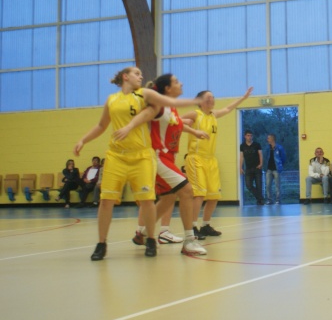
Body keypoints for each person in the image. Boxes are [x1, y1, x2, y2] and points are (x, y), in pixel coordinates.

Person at [73, 66, 201, 261]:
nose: (141, 76)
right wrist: (83, 139)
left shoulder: (145, 95)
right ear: (126, 76)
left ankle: (146, 236)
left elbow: (167, 111)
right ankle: (102, 243)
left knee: (159, 198)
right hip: (126, 155)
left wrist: (195, 109)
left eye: (142, 73)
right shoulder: (112, 100)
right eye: (137, 73)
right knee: (107, 200)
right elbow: (101, 125)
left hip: (142, 155)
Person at [116, 74, 209, 256]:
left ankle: (142, 234)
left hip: (168, 158)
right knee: (188, 191)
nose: (181, 83)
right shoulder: (158, 106)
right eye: (176, 81)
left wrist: (195, 131)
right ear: (167, 88)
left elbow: (178, 124)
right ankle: (189, 240)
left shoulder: (171, 107)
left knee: (167, 198)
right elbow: (141, 116)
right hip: (158, 157)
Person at [183, 87, 254, 238]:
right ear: (200, 101)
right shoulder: (195, 114)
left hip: (211, 159)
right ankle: (192, 227)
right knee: (199, 194)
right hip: (196, 158)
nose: (212, 100)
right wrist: (190, 128)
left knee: (214, 195)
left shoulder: (214, 115)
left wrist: (244, 97)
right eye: (208, 98)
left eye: (213, 97)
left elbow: (228, 108)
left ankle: (205, 225)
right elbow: (175, 122)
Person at [240, 130, 265, 205]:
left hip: (257, 167)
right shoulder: (242, 146)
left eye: (251, 135)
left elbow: (260, 154)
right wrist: (240, 167)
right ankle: (260, 198)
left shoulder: (257, 144)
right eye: (248, 135)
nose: (249, 137)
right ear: (245, 136)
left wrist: (261, 163)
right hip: (248, 168)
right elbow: (241, 157)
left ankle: (260, 201)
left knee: (259, 185)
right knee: (248, 185)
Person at [263, 133, 286, 205]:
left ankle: (278, 200)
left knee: (277, 186)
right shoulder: (267, 148)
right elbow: (265, 157)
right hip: (269, 169)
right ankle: (269, 200)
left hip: (276, 169)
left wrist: (280, 165)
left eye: (268, 138)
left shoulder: (279, 148)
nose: (267, 139)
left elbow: (283, 158)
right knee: (268, 185)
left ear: (272, 139)